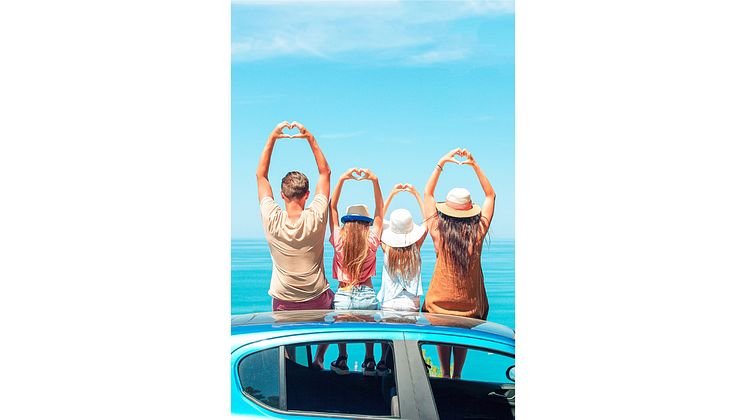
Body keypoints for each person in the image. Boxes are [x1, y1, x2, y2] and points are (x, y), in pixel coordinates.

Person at [256, 121, 332, 364]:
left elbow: (261, 175)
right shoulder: (317, 216)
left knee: (286, 343)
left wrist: (273, 137)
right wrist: (309, 137)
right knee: (331, 302)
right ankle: (319, 358)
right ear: (307, 194)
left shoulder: (272, 219)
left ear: (282, 194)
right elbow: (325, 173)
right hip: (316, 298)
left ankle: (289, 362)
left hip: (284, 300)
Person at [422, 148, 496, 379]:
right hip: (470, 309)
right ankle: (457, 375)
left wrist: (441, 163)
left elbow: (427, 194)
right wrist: (474, 165)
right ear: (470, 211)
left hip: (437, 307)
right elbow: (491, 196)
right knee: (463, 330)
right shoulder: (477, 233)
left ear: (447, 211)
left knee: (443, 329)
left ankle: (445, 373)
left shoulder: (438, 232)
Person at [324, 167, 384, 376]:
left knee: (342, 332)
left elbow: (332, 208)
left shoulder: (340, 239)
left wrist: (342, 179)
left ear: (347, 222)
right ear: (366, 223)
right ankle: (369, 360)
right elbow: (379, 211)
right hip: (367, 294)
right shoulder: (372, 240)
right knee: (370, 333)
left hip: (344, 294)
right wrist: (374, 180)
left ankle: (342, 359)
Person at [375, 183, 428, 375]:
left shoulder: (386, 249)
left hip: (389, 301)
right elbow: (428, 221)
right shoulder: (416, 248)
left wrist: (391, 194)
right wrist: (416, 194)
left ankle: (382, 362)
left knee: (387, 341)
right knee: (408, 344)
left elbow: (378, 220)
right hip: (411, 302)